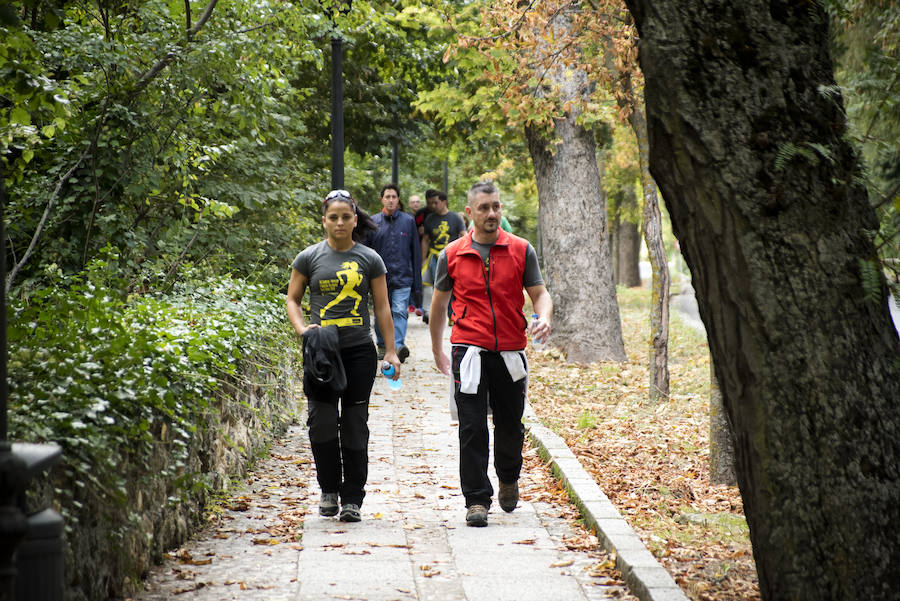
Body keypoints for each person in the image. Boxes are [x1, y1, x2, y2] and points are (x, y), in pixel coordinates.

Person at [429, 181, 552, 528]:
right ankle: (476, 500)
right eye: (484, 208)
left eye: (496, 207)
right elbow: (439, 306)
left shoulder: (520, 250)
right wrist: (438, 348)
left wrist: (543, 317)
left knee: (511, 424)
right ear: (469, 212)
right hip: (468, 350)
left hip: (511, 351)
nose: (492, 214)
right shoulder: (451, 254)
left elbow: (541, 294)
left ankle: (509, 478)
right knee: (471, 427)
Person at [286, 189, 401, 524]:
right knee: (321, 423)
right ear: (324, 221)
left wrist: (390, 350)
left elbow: (381, 307)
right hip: (321, 352)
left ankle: (352, 497)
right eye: (333, 217)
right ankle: (329, 489)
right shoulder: (308, 258)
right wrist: (304, 330)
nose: (339, 222)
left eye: (345, 216)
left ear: (354, 220)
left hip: (358, 352)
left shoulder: (370, 259)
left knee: (353, 425)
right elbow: (293, 299)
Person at [364, 184, 422, 362]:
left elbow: (416, 252)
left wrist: (417, 284)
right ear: (381, 199)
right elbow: (366, 252)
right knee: (382, 312)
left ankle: (397, 346)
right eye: (387, 197)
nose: (390, 200)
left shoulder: (408, 221)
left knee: (399, 311)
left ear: (398, 200)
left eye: (394, 197)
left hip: (403, 276)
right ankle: (382, 345)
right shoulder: (373, 222)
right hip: (379, 278)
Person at [421, 190, 466, 324]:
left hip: (453, 256)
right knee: (438, 285)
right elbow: (425, 240)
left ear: (444, 202)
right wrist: (423, 259)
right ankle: (436, 314)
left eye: (436, 202)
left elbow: (464, 235)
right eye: (431, 203)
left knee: (455, 285)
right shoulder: (430, 219)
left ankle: (452, 314)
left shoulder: (455, 218)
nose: (433, 206)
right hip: (435, 257)